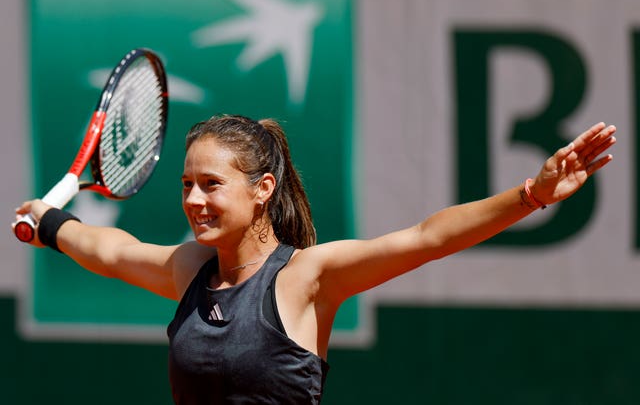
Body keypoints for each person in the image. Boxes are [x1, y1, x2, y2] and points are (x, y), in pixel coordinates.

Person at [14, 115, 616, 404]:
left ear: (263, 189)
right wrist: (51, 224)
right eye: (186, 184)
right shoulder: (189, 269)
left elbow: (428, 237)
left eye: (211, 184)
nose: (194, 200)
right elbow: (114, 250)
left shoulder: (307, 277)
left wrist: (531, 195)